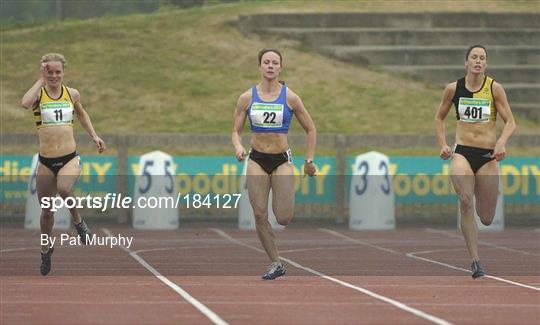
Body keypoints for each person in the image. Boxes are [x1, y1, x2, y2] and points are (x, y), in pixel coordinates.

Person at [232, 48, 317, 280]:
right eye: (266, 62)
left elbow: (310, 129)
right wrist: (238, 147)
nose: (270, 66)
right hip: (257, 159)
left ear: (281, 67)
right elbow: (235, 131)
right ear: (260, 66)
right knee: (259, 214)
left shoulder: (290, 97)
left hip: (281, 161)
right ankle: (275, 262)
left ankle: (277, 251)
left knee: (283, 218)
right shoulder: (246, 98)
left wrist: (309, 160)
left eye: (274, 62)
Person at [20, 53, 106, 276]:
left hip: (69, 158)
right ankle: (45, 250)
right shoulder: (39, 95)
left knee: (65, 189)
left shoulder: (72, 94)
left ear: (64, 73)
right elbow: (24, 103)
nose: (54, 76)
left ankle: (78, 221)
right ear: (44, 72)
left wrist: (94, 136)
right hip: (46, 162)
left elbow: (81, 113)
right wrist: (40, 79)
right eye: (50, 72)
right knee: (47, 212)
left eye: (58, 72)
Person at [434, 45, 516, 279]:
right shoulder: (453, 88)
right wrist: (443, 144)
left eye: (482, 58)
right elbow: (439, 118)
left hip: (488, 156)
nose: (478, 61)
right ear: (466, 61)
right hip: (462, 153)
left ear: (486, 64)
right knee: (466, 201)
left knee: (487, 218)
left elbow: (510, 121)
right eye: (474, 57)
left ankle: (479, 237)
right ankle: (475, 260)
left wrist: (501, 143)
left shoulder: (494, 89)